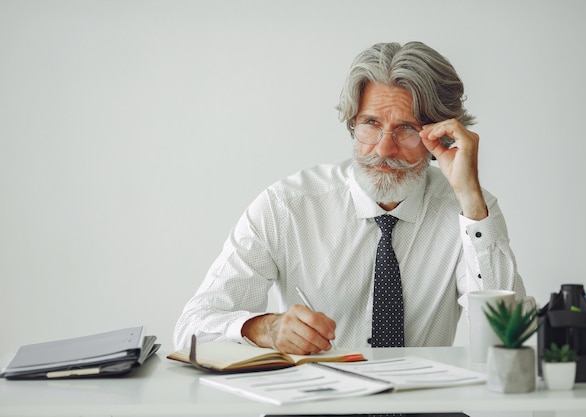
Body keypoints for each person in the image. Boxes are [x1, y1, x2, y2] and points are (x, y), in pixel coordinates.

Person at [173, 41, 526, 355]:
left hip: (421, 406)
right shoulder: (288, 206)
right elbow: (192, 328)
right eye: (370, 124)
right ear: (352, 123)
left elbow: (507, 340)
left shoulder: (469, 212)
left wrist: (470, 198)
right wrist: (265, 328)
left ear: (441, 134)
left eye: (406, 129)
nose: (384, 149)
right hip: (314, 406)